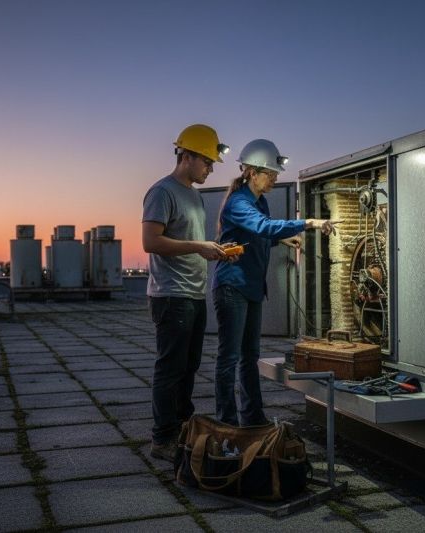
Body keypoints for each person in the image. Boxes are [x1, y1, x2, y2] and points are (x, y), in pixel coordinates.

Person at [212, 139, 335, 426]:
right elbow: (262, 226)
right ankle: (227, 424)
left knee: (249, 356)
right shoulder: (239, 202)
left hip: (251, 288)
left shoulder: (260, 200)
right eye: (271, 173)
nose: (275, 178)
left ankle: (253, 419)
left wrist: (281, 239)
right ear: (253, 173)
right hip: (232, 287)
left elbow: (259, 235)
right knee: (229, 358)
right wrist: (308, 223)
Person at [142, 124, 230, 461]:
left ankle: (181, 429)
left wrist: (212, 249)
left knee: (189, 367)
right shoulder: (162, 192)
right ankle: (162, 439)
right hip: (171, 295)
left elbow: (187, 242)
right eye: (206, 162)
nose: (210, 168)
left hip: (193, 294)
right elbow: (150, 242)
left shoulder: (193, 194)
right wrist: (198, 245)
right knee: (170, 369)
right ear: (187, 156)